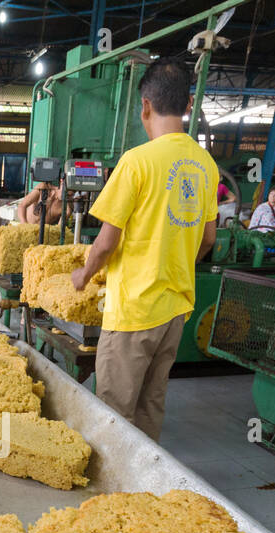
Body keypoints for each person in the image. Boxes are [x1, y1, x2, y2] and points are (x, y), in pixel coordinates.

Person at [71, 59, 217, 441]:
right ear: (188, 104)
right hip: (175, 311)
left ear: (145, 106)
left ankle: (113, 494)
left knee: (115, 409)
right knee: (151, 405)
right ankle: (142, 490)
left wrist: (83, 275)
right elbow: (208, 240)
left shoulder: (136, 162)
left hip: (134, 310)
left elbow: (105, 242)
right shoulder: (206, 166)